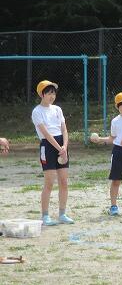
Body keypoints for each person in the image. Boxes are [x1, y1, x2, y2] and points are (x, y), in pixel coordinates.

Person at [31, 80, 74, 226]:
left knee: (64, 181)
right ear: (41, 94)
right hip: (48, 145)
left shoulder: (57, 109)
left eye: (53, 93)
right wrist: (59, 148)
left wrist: (65, 146)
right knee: (49, 182)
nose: (52, 96)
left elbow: (64, 129)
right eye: (49, 93)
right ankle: (45, 216)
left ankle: (62, 214)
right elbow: (46, 134)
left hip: (61, 144)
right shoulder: (37, 111)